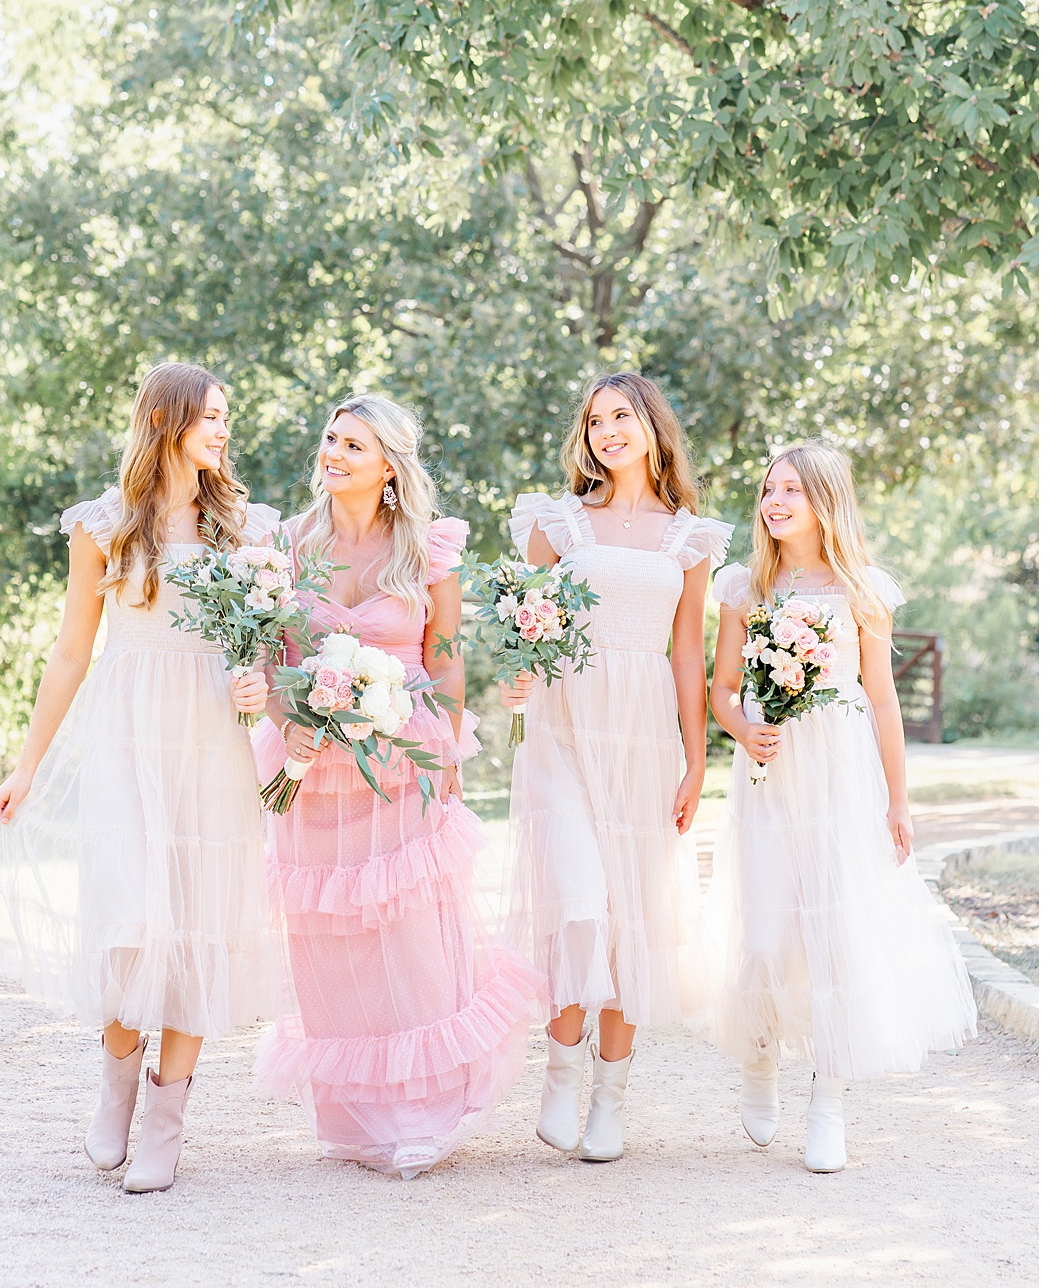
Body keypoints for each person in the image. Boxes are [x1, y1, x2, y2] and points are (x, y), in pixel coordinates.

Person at [0, 362, 279, 1193]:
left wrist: (258, 682)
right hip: (126, 734)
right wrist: (27, 764)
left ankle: (168, 1116)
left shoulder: (250, 532)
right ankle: (116, 1085)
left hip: (211, 741)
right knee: (126, 918)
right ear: (164, 422)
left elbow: (261, 648)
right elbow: (73, 650)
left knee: (197, 925)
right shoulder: (103, 526)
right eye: (209, 418)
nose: (223, 430)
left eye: (228, 416)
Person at [253, 394, 541, 1178]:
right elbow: (273, 658)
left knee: (408, 935)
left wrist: (444, 758)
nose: (333, 452)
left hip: (402, 754)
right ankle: (352, 1119)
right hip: (310, 767)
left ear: (389, 466)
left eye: (354, 443)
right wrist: (290, 720)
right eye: (329, 438)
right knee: (328, 939)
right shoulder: (284, 546)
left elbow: (444, 661)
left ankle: (419, 1112)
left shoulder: (429, 553)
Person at [707, 442, 977, 1173]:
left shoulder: (864, 589)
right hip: (770, 774)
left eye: (792, 488)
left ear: (826, 498)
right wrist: (742, 726)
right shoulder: (746, 587)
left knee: (835, 938)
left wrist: (899, 802)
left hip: (841, 778)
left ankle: (828, 1102)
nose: (776, 500)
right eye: (769, 489)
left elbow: (883, 702)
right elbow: (720, 690)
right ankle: (759, 1054)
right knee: (765, 936)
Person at [501, 372, 733, 1162]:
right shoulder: (558, 522)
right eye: (595, 420)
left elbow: (689, 658)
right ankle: (560, 1074)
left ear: (651, 426)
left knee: (633, 917)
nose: (607, 431)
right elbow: (520, 626)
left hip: (643, 738)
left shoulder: (689, 537)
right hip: (564, 728)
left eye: (621, 416)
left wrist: (697, 762)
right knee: (579, 903)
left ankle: (612, 1096)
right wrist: (518, 670)